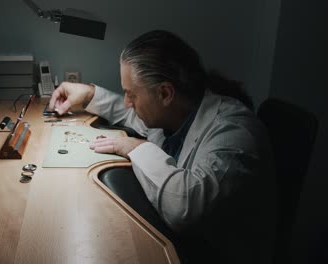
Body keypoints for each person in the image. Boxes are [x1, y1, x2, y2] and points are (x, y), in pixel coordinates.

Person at [49, 30, 275, 263]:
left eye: (131, 94)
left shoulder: (235, 133)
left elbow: (185, 208)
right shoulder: (176, 112)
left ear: (165, 93)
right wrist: (89, 94)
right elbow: (130, 116)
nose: (127, 102)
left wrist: (135, 147)